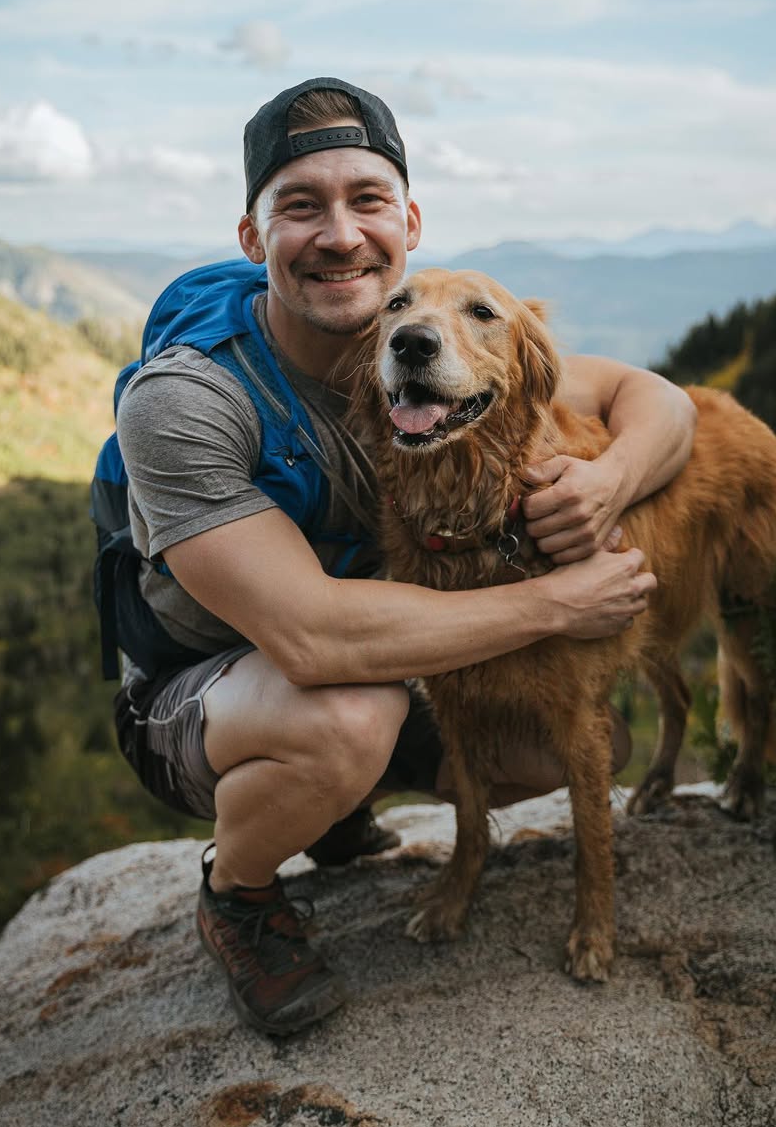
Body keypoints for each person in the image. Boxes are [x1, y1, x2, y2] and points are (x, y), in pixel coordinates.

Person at [113, 77, 696, 1036]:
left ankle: (335, 805)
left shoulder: (435, 345)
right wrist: (561, 606)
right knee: (349, 712)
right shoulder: (186, 401)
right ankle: (241, 890)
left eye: (367, 200)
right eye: (301, 206)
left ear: (409, 220)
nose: (340, 234)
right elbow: (311, 639)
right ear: (255, 238)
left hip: (377, 656)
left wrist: (611, 480)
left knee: (548, 748)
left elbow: (660, 400)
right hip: (202, 691)